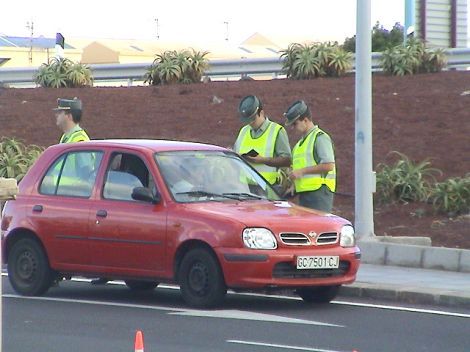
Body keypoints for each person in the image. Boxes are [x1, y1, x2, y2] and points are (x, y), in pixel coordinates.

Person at [284, 100, 336, 213]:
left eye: (295, 123)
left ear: (305, 120)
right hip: (305, 194)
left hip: (319, 193)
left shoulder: (320, 137)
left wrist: (301, 172)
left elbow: (329, 165)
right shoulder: (299, 144)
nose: (293, 128)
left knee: (320, 228)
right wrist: (294, 186)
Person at [233, 95, 291, 186]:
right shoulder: (243, 131)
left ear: (262, 113)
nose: (250, 123)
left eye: (253, 119)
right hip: (246, 187)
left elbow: (287, 160)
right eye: (247, 120)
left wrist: (263, 160)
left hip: (270, 187)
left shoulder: (276, 131)